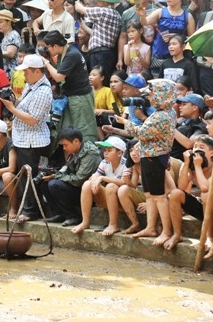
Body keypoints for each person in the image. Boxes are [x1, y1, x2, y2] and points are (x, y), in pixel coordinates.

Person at [115, 78, 178, 246]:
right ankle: (151, 227)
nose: (149, 97)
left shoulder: (162, 116)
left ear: (161, 95)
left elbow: (142, 133)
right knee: (150, 196)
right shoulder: (165, 112)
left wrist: (125, 122)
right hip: (149, 156)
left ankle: (166, 231)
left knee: (158, 197)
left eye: (152, 94)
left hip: (154, 158)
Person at [0, 54, 52, 222]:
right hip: (23, 139)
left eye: (27, 72)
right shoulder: (32, 85)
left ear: (37, 71)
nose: (24, 76)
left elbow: (33, 119)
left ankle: (30, 211)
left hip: (33, 141)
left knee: (31, 176)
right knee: (24, 176)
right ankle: (27, 208)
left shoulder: (43, 91)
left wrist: (11, 108)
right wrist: (12, 99)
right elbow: (23, 103)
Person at [42, 30, 98, 143]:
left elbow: (58, 77)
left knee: (83, 130)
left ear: (56, 46)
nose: (47, 49)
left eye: (48, 47)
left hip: (80, 97)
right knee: (67, 131)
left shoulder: (72, 54)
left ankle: (88, 157)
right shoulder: (65, 52)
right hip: (70, 95)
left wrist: (46, 63)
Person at [71, 136, 127, 236]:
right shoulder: (104, 162)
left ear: (119, 153)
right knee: (87, 184)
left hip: (124, 201)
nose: (105, 153)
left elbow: (124, 183)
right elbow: (96, 175)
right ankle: (85, 222)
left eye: (109, 150)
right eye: (105, 150)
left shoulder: (126, 164)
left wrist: (102, 178)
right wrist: (94, 179)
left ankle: (113, 224)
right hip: (109, 199)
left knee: (111, 186)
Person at [165, 135, 213, 251]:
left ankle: (209, 237)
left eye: (201, 147)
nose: (196, 150)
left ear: (211, 153)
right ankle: (177, 234)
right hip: (204, 208)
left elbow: (205, 188)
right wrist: (186, 164)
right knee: (175, 194)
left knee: (205, 194)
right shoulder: (190, 165)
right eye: (195, 147)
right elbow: (181, 187)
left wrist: (197, 166)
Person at [137, 0, 195, 75]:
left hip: (178, 57)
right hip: (160, 53)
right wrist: (141, 14)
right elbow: (144, 23)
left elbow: (192, 39)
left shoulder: (187, 16)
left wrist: (176, 37)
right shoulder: (160, 12)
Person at [74, 0, 122, 79]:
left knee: (98, 81)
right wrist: (83, 26)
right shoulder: (116, 13)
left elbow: (80, 9)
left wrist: (77, 2)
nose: (97, 1)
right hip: (106, 52)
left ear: (104, 1)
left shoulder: (103, 11)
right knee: (101, 80)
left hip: (100, 53)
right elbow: (97, 34)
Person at [171, 93, 207, 159]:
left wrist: (170, 128)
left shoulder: (200, 126)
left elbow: (189, 144)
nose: (180, 106)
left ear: (194, 107)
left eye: (184, 104)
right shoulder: (181, 121)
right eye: (180, 104)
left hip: (180, 163)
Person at [0, 10, 22, 77]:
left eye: (1, 22)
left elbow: (10, 53)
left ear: (9, 22)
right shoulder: (6, 36)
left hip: (12, 72)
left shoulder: (13, 35)